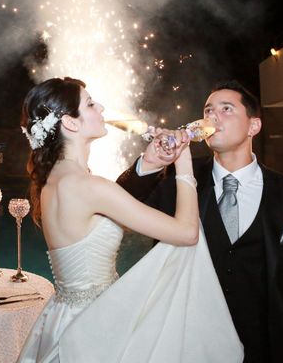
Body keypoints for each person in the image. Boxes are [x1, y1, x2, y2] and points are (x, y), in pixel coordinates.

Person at [17, 77, 242, 363]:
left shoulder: (55, 181)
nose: (101, 107)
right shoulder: (89, 186)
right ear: (71, 123)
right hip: (95, 325)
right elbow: (187, 233)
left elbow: (103, 217)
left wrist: (150, 162)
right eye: (89, 103)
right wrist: (183, 163)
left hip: (64, 316)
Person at [117, 81, 283, 363]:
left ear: (253, 126)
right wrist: (150, 162)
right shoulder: (176, 181)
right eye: (208, 111)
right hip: (189, 347)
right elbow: (117, 205)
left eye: (226, 109)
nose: (212, 117)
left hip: (268, 350)